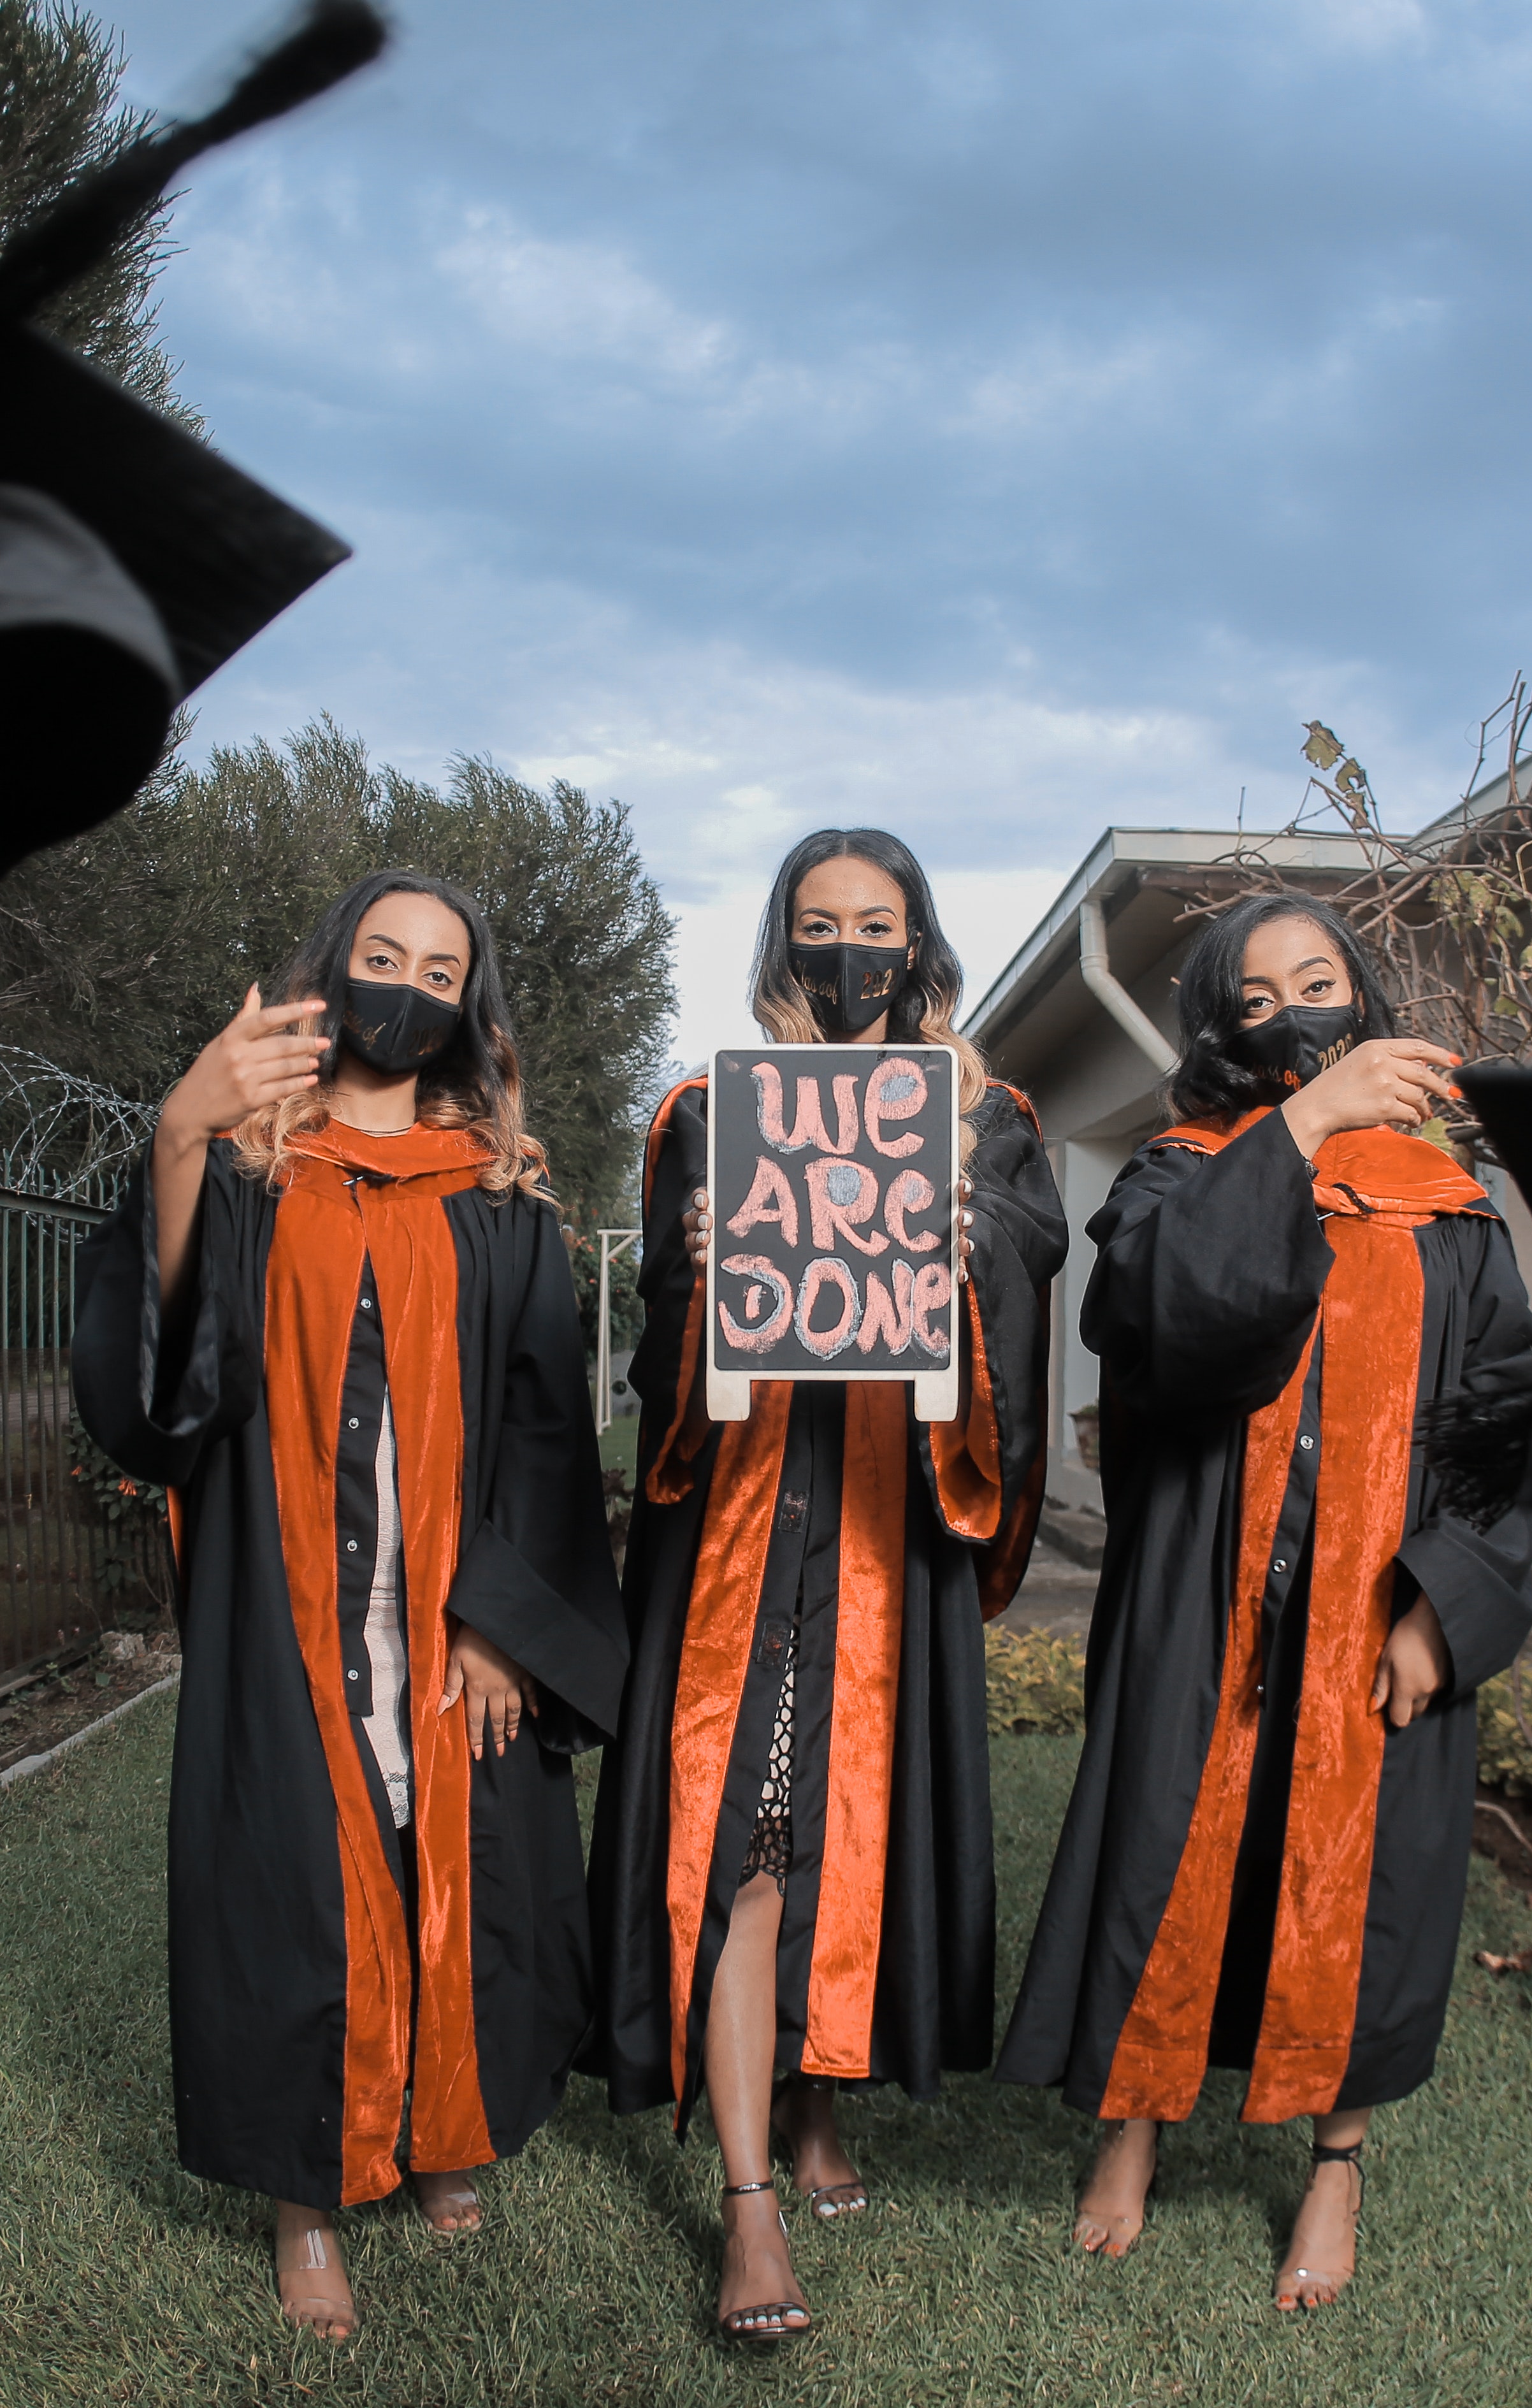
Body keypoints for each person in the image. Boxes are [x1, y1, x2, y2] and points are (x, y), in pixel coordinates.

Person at [71, 870, 626, 2341]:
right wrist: (183, 1129)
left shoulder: (500, 1193)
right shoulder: (258, 1166)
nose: (408, 983)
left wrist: (501, 1617)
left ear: (468, 1005)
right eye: (383, 954)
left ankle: (445, 2123)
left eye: (440, 967)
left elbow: (546, 1424)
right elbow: (171, 1365)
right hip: (291, 1603)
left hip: (448, 1604)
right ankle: (306, 2199)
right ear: (331, 973)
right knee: (295, 1876)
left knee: (459, 1857)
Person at [994, 891, 1532, 2311]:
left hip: (1376, 1617)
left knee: (1359, 1902)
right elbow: (1161, 1314)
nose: (1300, 1010)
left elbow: (1510, 1426)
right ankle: (1137, 2122)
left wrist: (1447, 1606)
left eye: (1323, 981)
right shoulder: (1179, 1177)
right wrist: (1304, 1130)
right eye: (1263, 997)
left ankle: (1335, 2164)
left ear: (1362, 996)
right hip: (1205, 1602)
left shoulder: (1452, 1211)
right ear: (1226, 1032)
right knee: (1166, 1865)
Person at [588, 828, 1067, 2343]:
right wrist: (691, 1261)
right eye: (818, 925)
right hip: (738, 1535)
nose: (848, 952)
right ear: (781, 947)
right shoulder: (709, 1116)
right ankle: (752, 2205)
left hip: (882, 1535)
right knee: (744, 1843)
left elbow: (1028, 1285)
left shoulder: (988, 1120)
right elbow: (665, 1361)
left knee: (844, 1851)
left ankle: (815, 2108)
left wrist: (967, 1240)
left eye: (877, 925)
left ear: (920, 946)